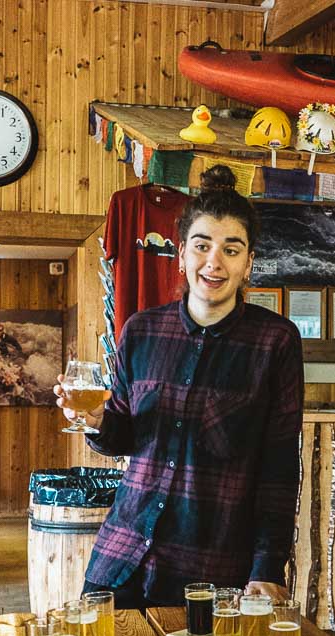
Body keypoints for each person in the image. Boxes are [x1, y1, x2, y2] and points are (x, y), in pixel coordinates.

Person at [57, 165, 304, 607]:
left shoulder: (276, 341)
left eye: (231, 250)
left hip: (212, 562)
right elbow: (125, 437)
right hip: (122, 552)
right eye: (202, 246)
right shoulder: (141, 330)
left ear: (248, 263)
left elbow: (279, 468)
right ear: (182, 255)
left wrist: (268, 566)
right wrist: (96, 422)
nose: (214, 262)